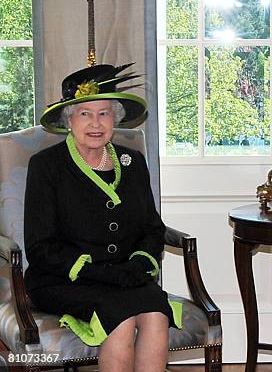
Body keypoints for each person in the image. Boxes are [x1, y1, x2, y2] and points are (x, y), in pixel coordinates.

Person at [24, 64, 181, 372]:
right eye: (85, 114)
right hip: (62, 279)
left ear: (116, 119)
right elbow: (40, 247)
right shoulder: (46, 166)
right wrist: (99, 273)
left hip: (125, 276)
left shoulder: (132, 161)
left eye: (104, 113)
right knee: (119, 320)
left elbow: (152, 228)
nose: (95, 123)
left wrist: (139, 263)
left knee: (156, 313)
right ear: (68, 120)